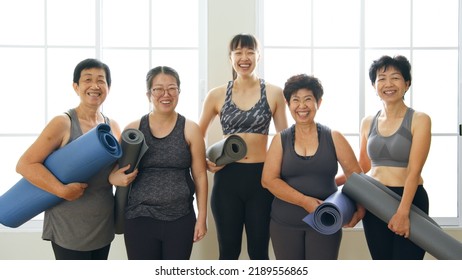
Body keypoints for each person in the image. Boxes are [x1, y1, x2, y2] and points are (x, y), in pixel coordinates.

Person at [15, 58, 138, 260]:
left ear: (109, 87)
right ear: (76, 86)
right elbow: (25, 165)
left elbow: (111, 172)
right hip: (68, 225)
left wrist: (114, 178)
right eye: (87, 80)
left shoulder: (113, 126)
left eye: (101, 80)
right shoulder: (63, 123)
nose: (95, 86)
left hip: (102, 223)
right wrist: (62, 190)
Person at [198, 33, 288, 260]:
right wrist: (206, 162)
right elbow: (197, 136)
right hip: (227, 180)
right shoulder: (216, 95)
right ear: (230, 58)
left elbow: (283, 139)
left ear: (259, 56)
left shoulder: (275, 93)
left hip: (262, 180)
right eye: (238, 52)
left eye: (250, 52)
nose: (244, 57)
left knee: (259, 253)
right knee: (228, 252)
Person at [261, 74, 364, 260]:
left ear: (319, 102)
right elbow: (268, 180)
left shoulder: (334, 137)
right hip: (284, 224)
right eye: (296, 100)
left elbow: (357, 177)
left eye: (308, 99)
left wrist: (360, 210)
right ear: (288, 103)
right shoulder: (279, 140)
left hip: (326, 223)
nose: (302, 106)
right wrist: (304, 201)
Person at [121, 66, 208, 260]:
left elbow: (200, 175)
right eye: (158, 89)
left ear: (179, 92)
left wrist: (202, 216)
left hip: (180, 218)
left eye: (172, 88)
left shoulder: (190, 129)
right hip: (139, 218)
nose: (165, 94)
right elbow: (117, 171)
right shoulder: (133, 129)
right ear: (148, 94)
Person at [358, 55, 431, 259]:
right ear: (374, 85)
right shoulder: (367, 122)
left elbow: (414, 171)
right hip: (375, 200)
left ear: (407, 84)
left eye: (395, 77)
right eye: (381, 78)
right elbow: (362, 168)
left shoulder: (420, 120)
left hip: (410, 199)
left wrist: (403, 212)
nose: (388, 84)